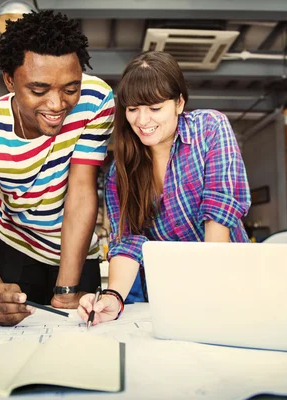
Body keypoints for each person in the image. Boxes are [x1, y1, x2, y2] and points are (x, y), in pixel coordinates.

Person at [0, 11, 114, 326]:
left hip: (77, 252)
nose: (57, 105)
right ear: (10, 80)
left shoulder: (96, 99)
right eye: (39, 91)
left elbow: (81, 191)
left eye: (70, 89)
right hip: (15, 249)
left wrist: (67, 288)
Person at [78, 51, 251, 326]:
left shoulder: (210, 128)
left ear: (179, 103)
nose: (143, 121)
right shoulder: (119, 172)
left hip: (227, 284)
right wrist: (112, 297)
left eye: (155, 108)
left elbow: (221, 208)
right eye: (133, 109)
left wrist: (211, 290)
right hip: (167, 295)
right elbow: (127, 241)